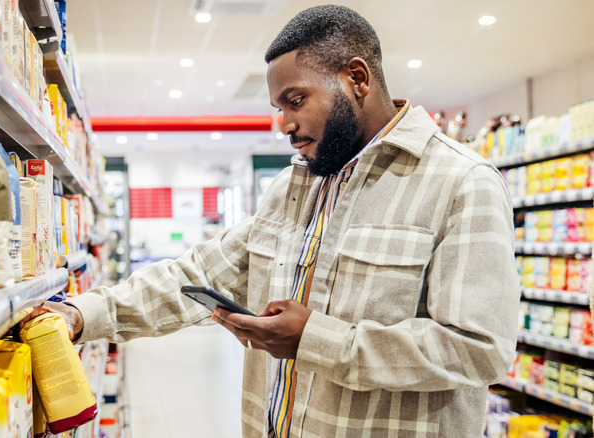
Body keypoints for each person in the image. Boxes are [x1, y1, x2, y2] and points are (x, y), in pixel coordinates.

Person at [25, 4, 519, 437]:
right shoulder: (293, 188)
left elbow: (480, 349)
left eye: (296, 101)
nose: (282, 123)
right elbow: (194, 275)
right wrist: (81, 313)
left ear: (357, 78)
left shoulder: (461, 182)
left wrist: (315, 340)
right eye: (277, 107)